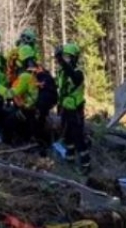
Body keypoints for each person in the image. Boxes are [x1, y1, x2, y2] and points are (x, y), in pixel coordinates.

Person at [0, 45, 54, 151]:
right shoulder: (35, 72)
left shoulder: (24, 76)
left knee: (8, 122)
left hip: (28, 111)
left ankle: (7, 146)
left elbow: (9, 94)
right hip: (35, 111)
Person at [55, 43, 89, 172]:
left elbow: (74, 79)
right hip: (65, 109)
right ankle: (70, 159)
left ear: (74, 58)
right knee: (68, 137)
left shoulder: (78, 73)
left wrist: (61, 61)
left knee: (78, 137)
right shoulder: (61, 73)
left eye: (68, 57)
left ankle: (86, 164)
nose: (65, 59)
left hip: (76, 110)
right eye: (64, 57)